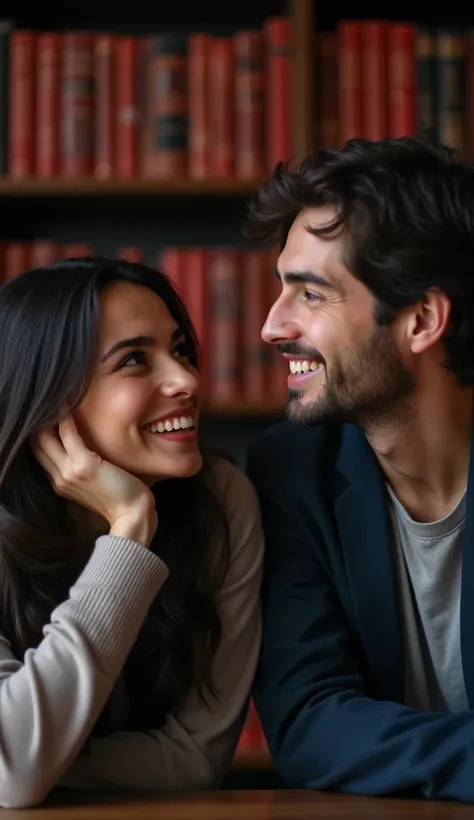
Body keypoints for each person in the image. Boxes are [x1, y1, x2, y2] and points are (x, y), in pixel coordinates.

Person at [245, 137, 474, 803]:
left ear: (422, 320)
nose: (270, 327)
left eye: (310, 295)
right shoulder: (291, 473)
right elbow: (310, 720)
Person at [0, 256, 263, 808]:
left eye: (181, 350)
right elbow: (13, 770)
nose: (187, 380)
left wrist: (44, 755)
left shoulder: (222, 502)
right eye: (135, 361)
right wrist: (128, 532)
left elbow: (195, 759)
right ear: (49, 399)